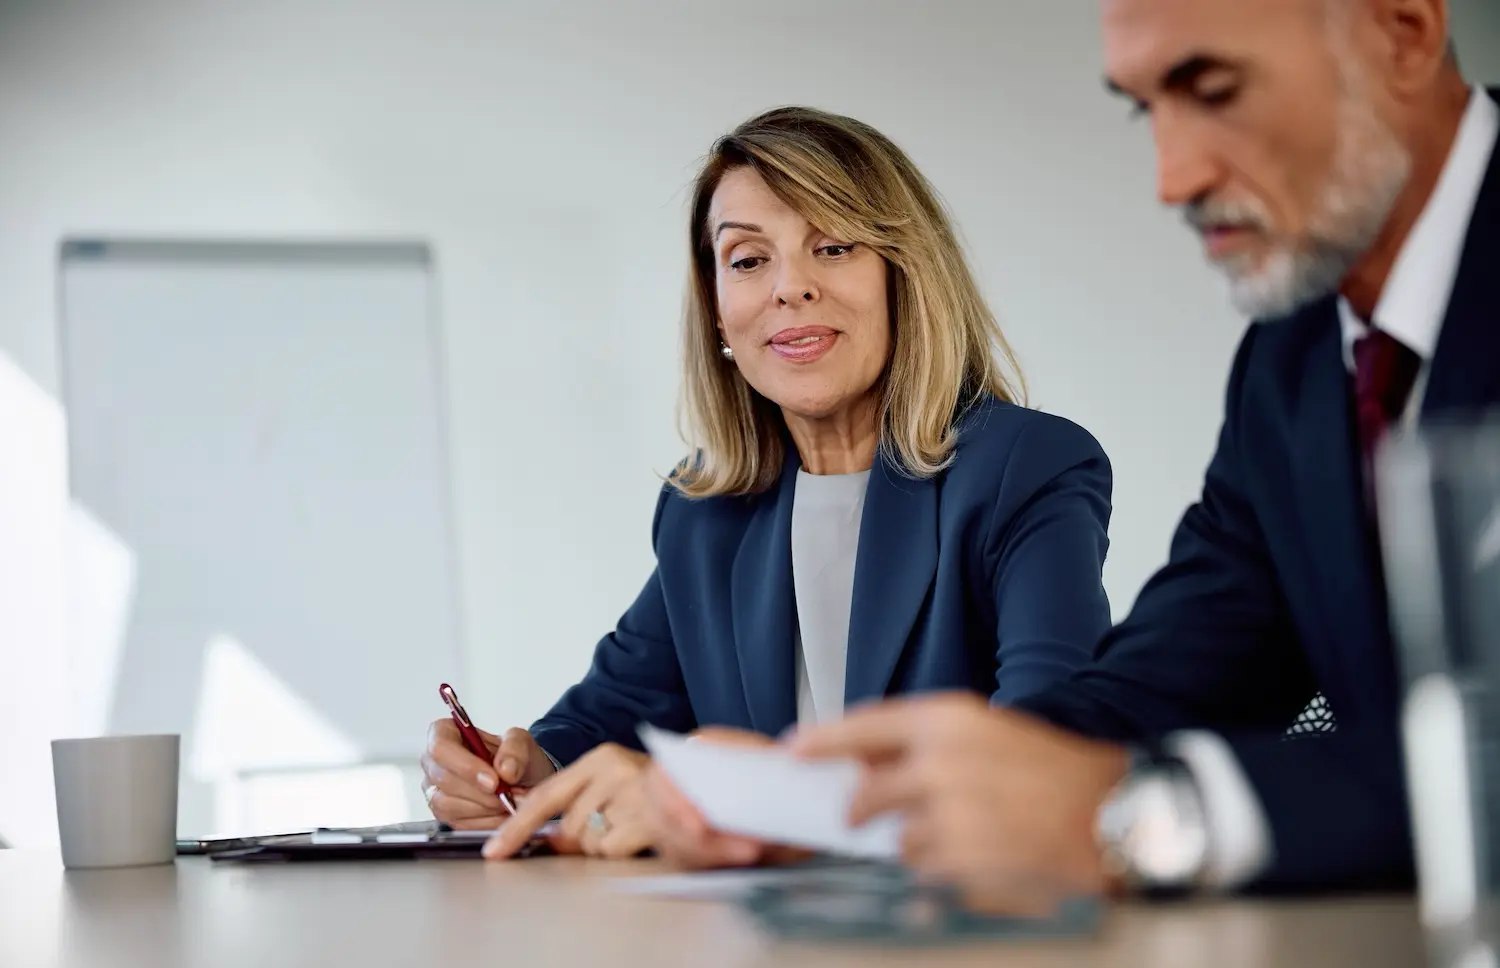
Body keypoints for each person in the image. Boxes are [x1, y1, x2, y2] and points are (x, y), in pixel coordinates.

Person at [670, 0, 1498, 896]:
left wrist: (1165, 815)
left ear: (1402, 31)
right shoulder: (1293, 358)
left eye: (1214, 91)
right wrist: (858, 805)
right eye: (1148, 111)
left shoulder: (1029, 461)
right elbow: (1182, 668)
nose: (1172, 180)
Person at [419, 106, 1115, 860]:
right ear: (719, 308)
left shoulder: (1025, 468)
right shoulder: (706, 510)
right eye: (749, 260)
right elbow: (608, 711)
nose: (791, 288)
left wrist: (742, 801)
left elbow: (1045, 748)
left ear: (903, 276)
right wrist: (514, 772)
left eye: (834, 246)